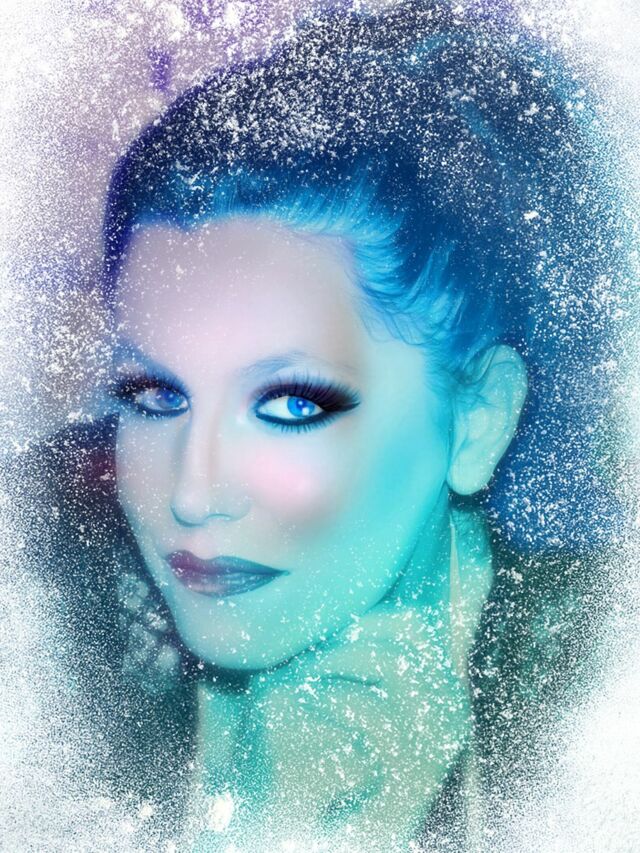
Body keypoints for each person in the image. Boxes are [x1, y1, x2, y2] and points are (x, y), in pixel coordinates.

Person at [12, 2, 630, 850]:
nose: (193, 494)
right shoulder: (39, 611)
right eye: (155, 395)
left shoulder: (600, 680)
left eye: (292, 404)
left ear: (479, 419)